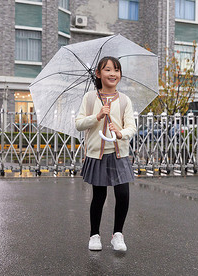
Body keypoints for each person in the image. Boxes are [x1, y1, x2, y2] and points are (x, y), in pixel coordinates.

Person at [75, 56, 137, 252]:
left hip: (119, 153)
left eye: (116, 70)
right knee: (99, 196)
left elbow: (131, 127)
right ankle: (94, 235)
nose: (113, 74)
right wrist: (98, 115)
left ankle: (117, 234)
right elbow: (79, 123)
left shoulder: (125, 100)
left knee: (123, 194)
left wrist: (121, 133)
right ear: (98, 74)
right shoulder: (90, 98)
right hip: (97, 154)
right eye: (108, 69)